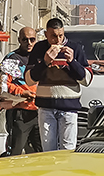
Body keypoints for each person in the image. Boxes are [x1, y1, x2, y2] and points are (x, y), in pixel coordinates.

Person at [28, 18, 90, 151]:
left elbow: (87, 79)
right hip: (46, 107)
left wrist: (72, 61)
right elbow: (29, 79)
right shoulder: (39, 48)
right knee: (48, 150)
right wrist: (45, 62)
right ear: (46, 35)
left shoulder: (75, 48)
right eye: (53, 36)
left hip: (69, 108)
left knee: (68, 150)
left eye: (61, 35)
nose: (58, 40)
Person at [2, 26, 41, 155]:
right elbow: (3, 85)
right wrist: (21, 92)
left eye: (32, 39)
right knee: (15, 152)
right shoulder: (11, 59)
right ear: (19, 40)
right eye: (25, 40)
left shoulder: (42, 58)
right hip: (19, 112)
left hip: (41, 112)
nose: (29, 43)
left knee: (43, 154)